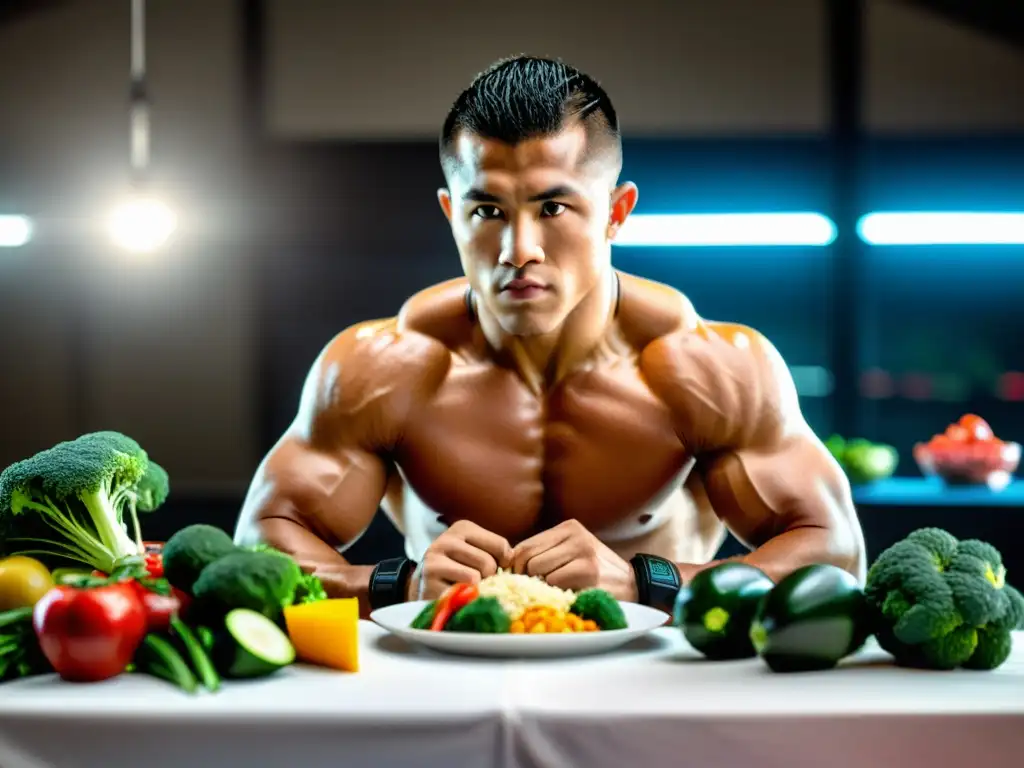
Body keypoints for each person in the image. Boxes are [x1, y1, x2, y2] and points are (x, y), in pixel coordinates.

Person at [233, 55, 866, 618]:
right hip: (452, 669)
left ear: (616, 212)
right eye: (487, 211)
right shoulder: (383, 367)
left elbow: (837, 558)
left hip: (650, 675)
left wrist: (647, 582)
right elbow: (258, 545)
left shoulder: (708, 366)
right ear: (452, 215)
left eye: (553, 209)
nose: (519, 250)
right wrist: (397, 583)